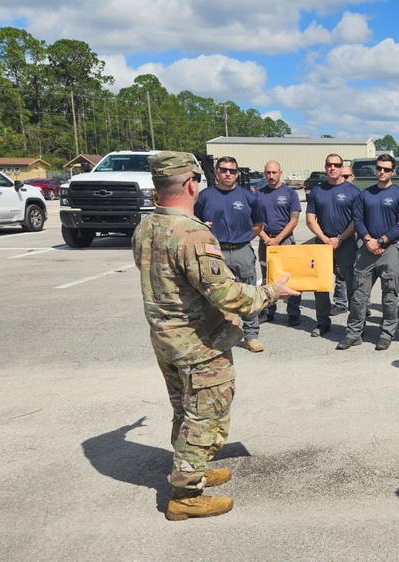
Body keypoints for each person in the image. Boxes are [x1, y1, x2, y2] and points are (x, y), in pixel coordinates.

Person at [132, 151, 301, 521]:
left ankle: (194, 467)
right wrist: (272, 292)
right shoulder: (192, 233)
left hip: (165, 339)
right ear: (192, 183)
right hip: (198, 343)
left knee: (184, 409)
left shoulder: (145, 227)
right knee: (205, 415)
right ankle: (185, 495)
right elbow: (226, 294)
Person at [338, 154, 399, 351]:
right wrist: (368, 240)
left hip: (390, 249)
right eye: (379, 168)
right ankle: (354, 333)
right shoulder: (365, 195)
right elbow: (358, 220)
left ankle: (387, 333)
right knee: (358, 294)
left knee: (390, 294)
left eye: (386, 169)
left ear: (393, 172)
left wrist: (381, 241)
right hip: (367, 248)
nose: (382, 172)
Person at [194, 155, 265, 352]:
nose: (227, 174)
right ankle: (218, 335)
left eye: (232, 171)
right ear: (216, 172)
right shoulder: (204, 196)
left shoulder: (248, 197)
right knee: (215, 295)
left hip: (242, 250)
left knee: (248, 293)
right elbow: (194, 223)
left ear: (237, 173)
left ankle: (251, 336)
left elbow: (259, 224)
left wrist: (243, 237)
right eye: (223, 170)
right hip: (215, 253)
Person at [305, 153, 360, 337]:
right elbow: (310, 219)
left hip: (346, 244)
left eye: (336, 165)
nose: (332, 168)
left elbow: (356, 220)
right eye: (329, 164)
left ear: (341, 167)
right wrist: (324, 238)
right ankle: (322, 323)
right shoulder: (317, 191)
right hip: (322, 244)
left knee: (353, 284)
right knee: (320, 286)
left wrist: (340, 239)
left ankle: (354, 326)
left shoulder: (353, 192)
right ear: (325, 166)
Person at [256, 160, 303, 326]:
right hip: (266, 241)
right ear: (264, 173)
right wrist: (267, 239)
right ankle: (268, 312)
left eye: (274, 173)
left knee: (291, 277)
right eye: (268, 173)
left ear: (280, 173)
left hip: (285, 240)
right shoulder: (259, 194)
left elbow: (294, 220)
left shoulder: (290, 193)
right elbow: (253, 220)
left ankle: (293, 313)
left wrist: (278, 239)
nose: (271, 176)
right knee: (268, 277)